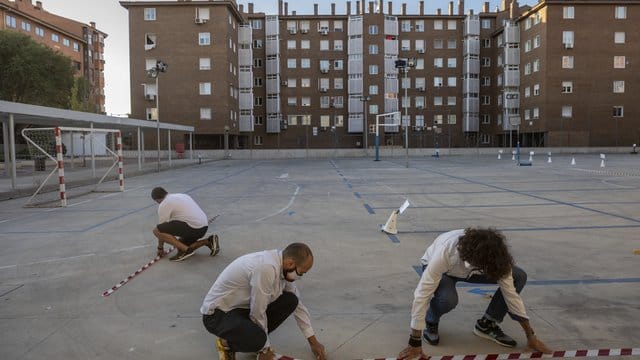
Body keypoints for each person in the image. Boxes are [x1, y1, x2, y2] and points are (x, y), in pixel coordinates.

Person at [399, 227, 551, 359]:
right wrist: (414, 341)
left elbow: (511, 295)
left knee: (519, 276)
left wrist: (531, 335)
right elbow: (422, 294)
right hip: (445, 270)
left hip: (472, 270)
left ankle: (487, 324)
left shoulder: (497, 257)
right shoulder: (446, 250)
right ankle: (431, 320)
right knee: (448, 300)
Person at [201, 243, 326, 360]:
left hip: (241, 308)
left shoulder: (283, 267)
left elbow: (298, 305)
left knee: (291, 300)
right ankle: (226, 343)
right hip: (218, 314)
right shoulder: (266, 268)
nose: (300, 276)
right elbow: (258, 311)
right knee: (258, 340)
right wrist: (265, 349)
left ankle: (252, 339)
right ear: (290, 263)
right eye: (301, 273)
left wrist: (313, 342)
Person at [151, 187, 219, 262]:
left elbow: (161, 230)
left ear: (156, 199)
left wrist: (160, 248)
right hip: (203, 227)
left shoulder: (164, 204)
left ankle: (187, 251)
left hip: (193, 227)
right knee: (180, 245)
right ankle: (208, 241)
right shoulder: (181, 195)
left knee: (156, 231)